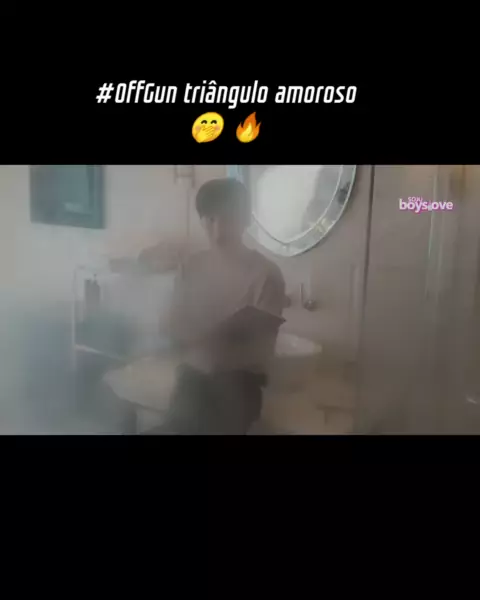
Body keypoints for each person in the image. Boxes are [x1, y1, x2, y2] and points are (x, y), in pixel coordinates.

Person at [154, 177, 286, 435]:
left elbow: (263, 349)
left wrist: (216, 340)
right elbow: (170, 324)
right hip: (192, 379)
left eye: (227, 219)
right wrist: (175, 332)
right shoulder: (191, 267)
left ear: (245, 219)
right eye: (210, 219)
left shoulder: (266, 274)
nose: (218, 230)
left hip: (239, 384)